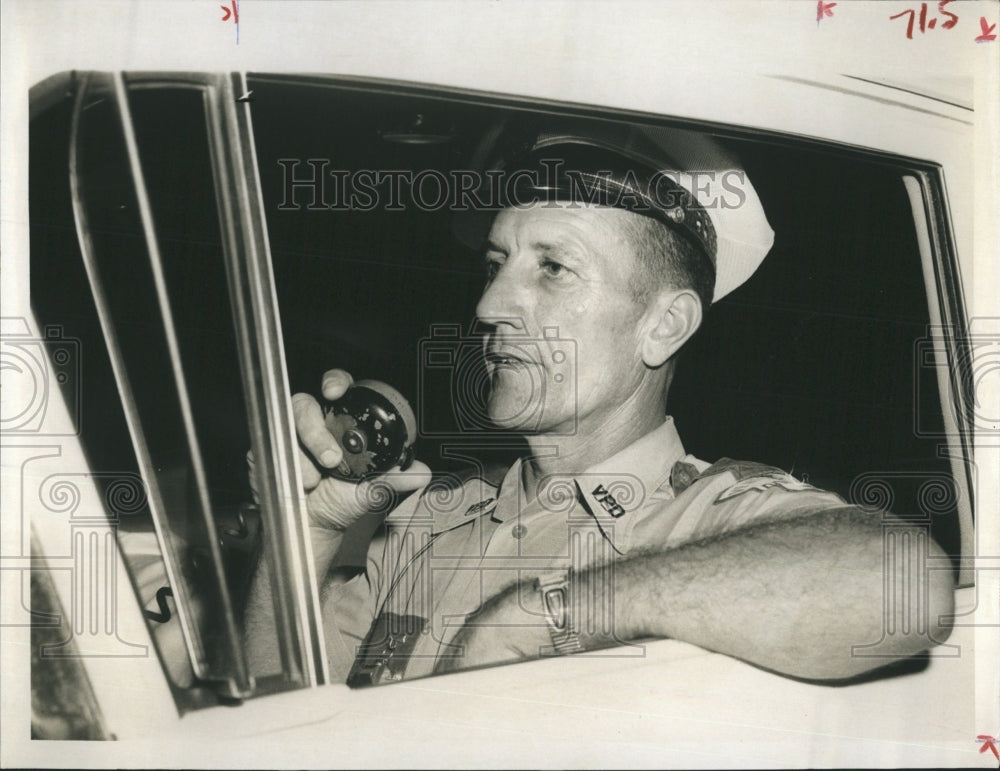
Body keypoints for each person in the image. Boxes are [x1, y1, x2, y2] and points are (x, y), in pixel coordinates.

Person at [244, 122, 955, 686]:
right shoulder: (429, 522)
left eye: (553, 268)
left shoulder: (708, 519)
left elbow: (906, 581)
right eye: (496, 265)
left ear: (664, 325)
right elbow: (285, 715)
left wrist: (547, 612)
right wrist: (306, 526)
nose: (490, 306)